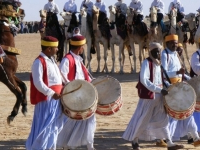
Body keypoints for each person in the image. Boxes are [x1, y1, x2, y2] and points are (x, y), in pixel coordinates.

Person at [122, 42, 184, 150]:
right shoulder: (147, 62)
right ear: (150, 52)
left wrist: (169, 87)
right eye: (156, 51)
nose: (158, 53)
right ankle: (135, 141)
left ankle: (169, 143)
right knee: (143, 119)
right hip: (149, 96)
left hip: (160, 96)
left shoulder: (158, 64)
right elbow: (144, 80)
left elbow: (163, 79)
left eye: (159, 51)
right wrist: (159, 89)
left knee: (163, 120)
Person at [26, 36, 65, 150]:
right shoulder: (38, 62)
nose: (57, 50)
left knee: (53, 127)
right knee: (45, 128)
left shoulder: (52, 60)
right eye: (55, 48)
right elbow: (38, 83)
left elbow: (58, 78)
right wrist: (52, 93)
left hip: (56, 100)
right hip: (46, 101)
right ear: (48, 49)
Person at [57, 34, 96, 150]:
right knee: (71, 122)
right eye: (83, 46)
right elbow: (61, 75)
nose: (84, 48)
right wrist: (71, 88)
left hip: (82, 95)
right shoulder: (67, 59)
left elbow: (85, 77)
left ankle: (90, 146)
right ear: (80, 47)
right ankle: (67, 145)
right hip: (72, 97)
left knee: (89, 119)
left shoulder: (78, 59)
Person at [161, 34, 200, 147]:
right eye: (172, 42)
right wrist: (176, 73)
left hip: (181, 87)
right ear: (167, 43)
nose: (175, 44)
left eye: (176, 42)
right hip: (171, 89)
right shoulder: (165, 54)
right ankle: (167, 140)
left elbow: (181, 74)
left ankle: (196, 137)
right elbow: (163, 72)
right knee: (174, 117)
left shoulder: (176, 54)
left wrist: (190, 79)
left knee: (187, 113)